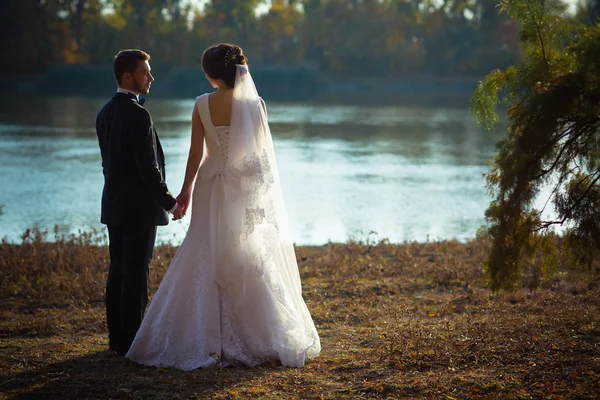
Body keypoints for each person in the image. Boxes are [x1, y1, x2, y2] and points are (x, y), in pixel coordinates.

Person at [126, 43, 321, 369]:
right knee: (247, 249)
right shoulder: (255, 105)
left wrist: (185, 191)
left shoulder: (202, 104)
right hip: (243, 185)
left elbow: (195, 154)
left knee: (203, 245)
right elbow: (261, 158)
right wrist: (259, 196)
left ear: (211, 73)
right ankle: (258, 332)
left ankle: (195, 333)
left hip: (210, 184)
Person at [96, 49, 184, 356]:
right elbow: (149, 169)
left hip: (114, 205)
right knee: (136, 273)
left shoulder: (105, 111)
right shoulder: (138, 115)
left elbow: (109, 165)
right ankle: (132, 341)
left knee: (118, 270)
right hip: (139, 209)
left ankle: (117, 339)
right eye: (146, 73)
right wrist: (171, 203)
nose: (151, 77)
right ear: (127, 76)